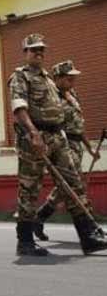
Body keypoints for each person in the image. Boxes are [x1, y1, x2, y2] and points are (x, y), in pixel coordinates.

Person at [8, 35, 107, 256]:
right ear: (25, 52)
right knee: (30, 188)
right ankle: (25, 241)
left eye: (41, 49)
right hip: (35, 137)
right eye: (34, 49)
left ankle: (88, 236)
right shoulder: (20, 77)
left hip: (57, 137)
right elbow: (19, 108)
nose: (38, 53)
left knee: (73, 183)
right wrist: (33, 133)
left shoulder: (48, 79)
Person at [33, 60, 104, 241]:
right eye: (68, 78)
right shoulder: (52, 98)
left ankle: (39, 217)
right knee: (73, 185)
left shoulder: (72, 95)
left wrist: (89, 148)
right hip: (63, 144)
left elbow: (79, 125)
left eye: (73, 78)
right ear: (57, 78)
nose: (73, 81)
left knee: (67, 186)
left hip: (76, 145)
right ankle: (90, 228)